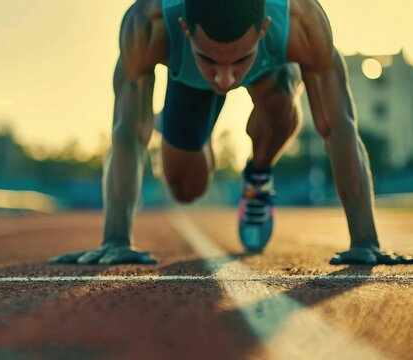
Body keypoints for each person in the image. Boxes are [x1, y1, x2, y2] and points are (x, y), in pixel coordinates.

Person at [51, 0, 412, 265]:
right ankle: (189, 130)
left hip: (270, 72)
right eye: (210, 59)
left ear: (265, 29)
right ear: (185, 29)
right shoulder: (148, 23)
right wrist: (116, 237)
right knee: (186, 187)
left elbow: (338, 126)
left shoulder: (301, 20)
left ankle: (257, 177)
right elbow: (128, 131)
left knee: (280, 101)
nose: (225, 79)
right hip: (188, 82)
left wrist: (366, 238)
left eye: (240, 59)